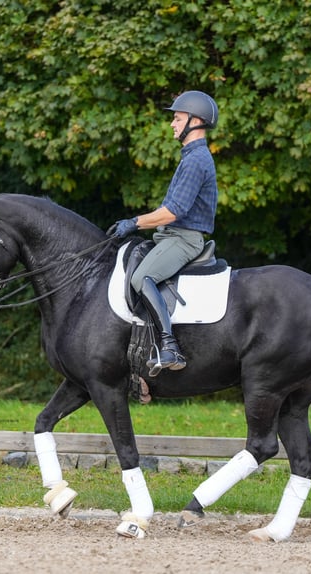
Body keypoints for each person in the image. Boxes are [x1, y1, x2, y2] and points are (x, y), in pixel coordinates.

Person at [107, 90, 219, 376]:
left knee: (141, 277)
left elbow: (173, 211)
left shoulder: (196, 160)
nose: (172, 124)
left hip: (184, 238)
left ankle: (169, 346)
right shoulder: (191, 157)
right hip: (172, 236)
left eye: (178, 118)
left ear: (195, 122)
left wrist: (134, 222)